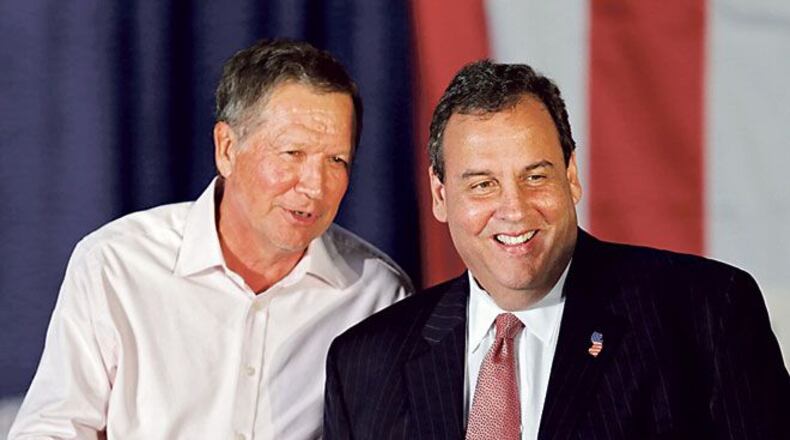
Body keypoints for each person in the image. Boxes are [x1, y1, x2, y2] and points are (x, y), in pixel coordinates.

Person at [323, 60, 790, 439]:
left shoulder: (704, 313)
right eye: (483, 185)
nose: (515, 210)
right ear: (441, 195)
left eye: (536, 176)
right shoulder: (366, 363)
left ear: (571, 175)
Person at [9, 39, 412, 440]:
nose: (314, 186)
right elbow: (50, 431)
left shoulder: (377, 295)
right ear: (227, 148)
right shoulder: (115, 264)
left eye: (336, 160)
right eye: (292, 153)